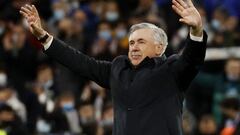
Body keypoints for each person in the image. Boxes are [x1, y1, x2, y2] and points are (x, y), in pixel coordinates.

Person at [19, 0, 207, 134]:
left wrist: (196, 31)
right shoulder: (118, 68)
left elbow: (192, 59)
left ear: (159, 48)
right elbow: (80, 62)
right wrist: (44, 36)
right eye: (132, 43)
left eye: (141, 42)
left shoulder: (171, 70)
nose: (133, 47)